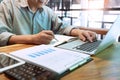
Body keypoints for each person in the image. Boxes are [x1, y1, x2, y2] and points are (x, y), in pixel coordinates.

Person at [0, 0, 96, 47]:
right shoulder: (7, 5)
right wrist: (32, 39)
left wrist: (79, 32)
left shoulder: (48, 11)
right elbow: (1, 36)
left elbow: (62, 27)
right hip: (13, 58)